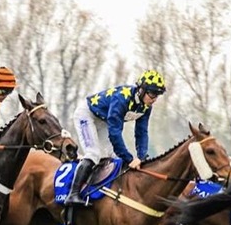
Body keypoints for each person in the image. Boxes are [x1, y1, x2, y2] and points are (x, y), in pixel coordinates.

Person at [65, 69, 165, 206]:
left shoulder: (146, 107)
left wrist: (142, 157)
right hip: (87, 115)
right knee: (94, 153)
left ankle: (99, 192)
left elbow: (141, 132)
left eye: (157, 95)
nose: (154, 99)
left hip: (103, 120)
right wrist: (129, 159)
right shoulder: (121, 99)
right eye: (152, 93)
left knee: (112, 156)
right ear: (141, 90)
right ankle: (73, 194)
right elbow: (115, 133)